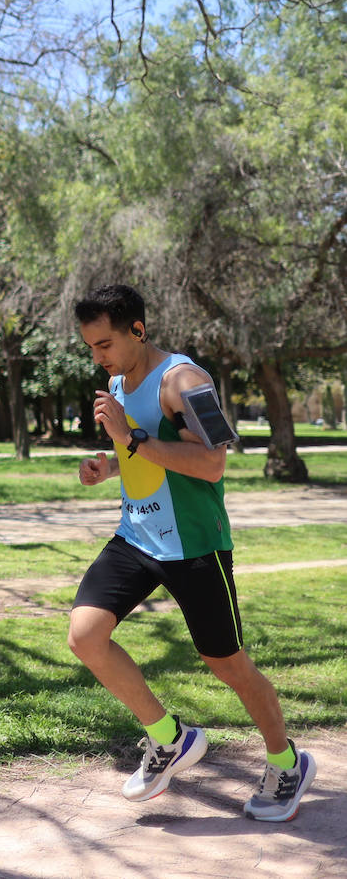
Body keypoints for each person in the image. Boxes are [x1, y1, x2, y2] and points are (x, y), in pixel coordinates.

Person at [70, 284, 313, 822]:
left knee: (226, 663)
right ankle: (168, 738)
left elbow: (211, 464)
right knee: (86, 635)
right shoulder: (117, 381)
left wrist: (128, 439)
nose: (98, 356)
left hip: (195, 546)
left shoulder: (186, 381)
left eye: (105, 343)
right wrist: (106, 463)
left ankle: (287, 761)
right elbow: (138, 453)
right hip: (136, 537)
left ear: (139, 330)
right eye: (90, 346)